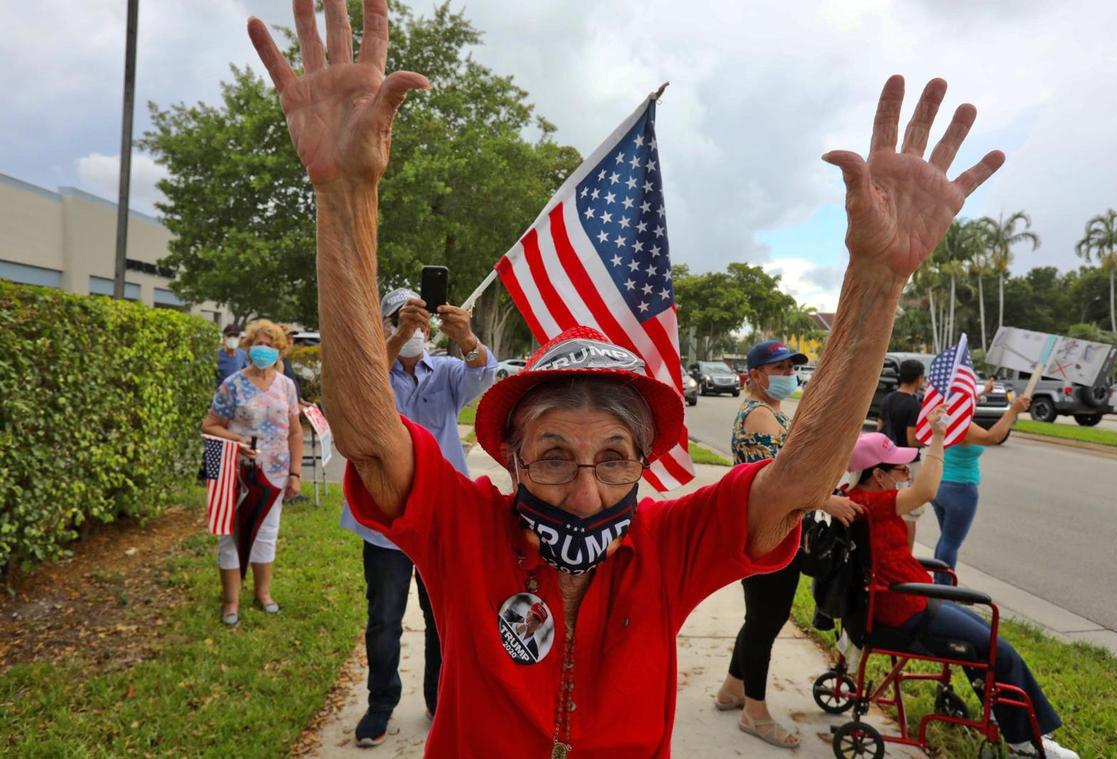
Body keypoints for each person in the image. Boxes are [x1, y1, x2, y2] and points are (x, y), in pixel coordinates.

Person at [246, 1, 1006, 752]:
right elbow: (371, 441)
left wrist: (875, 281)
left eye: (613, 457)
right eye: (552, 456)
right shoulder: (465, 526)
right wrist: (343, 197)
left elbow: (799, 481)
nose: (585, 492)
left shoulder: (668, 544)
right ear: (510, 458)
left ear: (644, 461)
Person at [843, 425, 1077, 759]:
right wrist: (938, 437)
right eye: (899, 468)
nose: (906, 472)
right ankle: (1024, 745)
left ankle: (1010, 718)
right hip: (904, 607)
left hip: (910, 599)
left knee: (984, 641)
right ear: (878, 475)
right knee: (999, 649)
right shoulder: (872, 503)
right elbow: (926, 491)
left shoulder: (857, 498)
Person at [340, 287, 497, 746]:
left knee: (442, 615)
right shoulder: (373, 373)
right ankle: (380, 703)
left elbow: (483, 374)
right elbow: (356, 391)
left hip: (439, 519)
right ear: (385, 324)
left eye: (419, 321)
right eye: (400, 319)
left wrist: (466, 338)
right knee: (384, 618)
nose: (413, 329)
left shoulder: (446, 372)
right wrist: (396, 336)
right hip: (384, 521)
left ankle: (439, 696)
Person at [716, 340, 864, 749]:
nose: (787, 376)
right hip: (769, 533)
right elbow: (783, 483)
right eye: (778, 369)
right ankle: (755, 712)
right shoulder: (760, 417)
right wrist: (826, 500)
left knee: (759, 617)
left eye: (790, 368)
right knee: (766, 622)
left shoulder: (774, 413)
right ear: (756, 375)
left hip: (777, 529)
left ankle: (732, 689)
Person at [201, 319, 303, 626]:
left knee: (266, 534)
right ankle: (230, 601)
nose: (264, 350)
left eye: (271, 346)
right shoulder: (232, 384)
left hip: (274, 473)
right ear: (249, 346)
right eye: (259, 343)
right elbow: (210, 425)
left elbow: (295, 433)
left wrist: (295, 473)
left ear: (279, 351)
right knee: (232, 536)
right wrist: (238, 440)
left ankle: (263, 593)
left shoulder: (286, 386)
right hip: (235, 473)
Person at [931, 393, 1031, 580]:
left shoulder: (943, 419)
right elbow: (992, 437)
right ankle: (943, 589)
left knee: (946, 538)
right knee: (951, 542)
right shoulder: (963, 427)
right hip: (961, 488)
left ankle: (938, 582)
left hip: (940, 485)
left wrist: (984, 392)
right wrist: (1013, 411)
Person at [877, 358, 928, 547]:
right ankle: (905, 553)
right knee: (909, 513)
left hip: (887, 462)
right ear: (919, 378)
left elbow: (879, 428)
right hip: (907, 463)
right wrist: (931, 440)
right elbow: (912, 440)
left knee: (890, 509)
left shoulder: (888, 399)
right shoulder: (913, 405)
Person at [216, 323, 250, 387]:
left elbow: (247, 374)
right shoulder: (215, 356)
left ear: (239, 338)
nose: (232, 339)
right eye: (229, 336)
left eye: (235, 336)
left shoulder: (243, 355)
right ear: (224, 338)